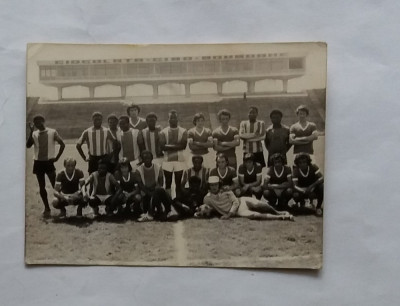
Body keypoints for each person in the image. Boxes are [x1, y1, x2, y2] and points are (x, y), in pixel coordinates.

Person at [196, 176, 293, 221]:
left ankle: (279, 212)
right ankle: (280, 217)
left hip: (241, 201)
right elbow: (206, 209)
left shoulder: (227, 190)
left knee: (259, 205)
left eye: (216, 184)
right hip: (238, 212)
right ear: (209, 186)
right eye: (211, 185)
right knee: (255, 215)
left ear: (219, 184)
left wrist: (229, 215)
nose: (214, 187)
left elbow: (235, 202)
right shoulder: (207, 198)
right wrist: (198, 213)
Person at [26, 114, 65, 217]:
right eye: (36, 122)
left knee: (55, 186)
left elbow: (62, 144)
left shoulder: (52, 132)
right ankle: (46, 208)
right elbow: (28, 145)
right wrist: (30, 132)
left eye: (40, 121)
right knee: (41, 186)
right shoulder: (34, 134)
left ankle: (62, 208)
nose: (38, 124)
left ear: (44, 121)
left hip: (48, 162)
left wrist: (56, 158)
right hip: (38, 162)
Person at [135, 151, 173, 222]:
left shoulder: (158, 167)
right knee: (154, 195)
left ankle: (154, 214)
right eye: (145, 158)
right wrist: (150, 193)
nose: (147, 160)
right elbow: (141, 185)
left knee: (160, 190)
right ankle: (153, 212)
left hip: (156, 191)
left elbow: (161, 183)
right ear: (142, 159)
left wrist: (154, 192)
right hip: (145, 192)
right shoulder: (138, 170)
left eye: (148, 158)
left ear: (152, 158)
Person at [159, 110, 188, 198]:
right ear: (168, 119)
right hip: (167, 160)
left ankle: (177, 201)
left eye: (175, 117)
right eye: (171, 118)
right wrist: (177, 146)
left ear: (177, 119)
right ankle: (169, 202)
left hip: (179, 160)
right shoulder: (163, 132)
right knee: (168, 182)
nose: (173, 119)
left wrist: (168, 146)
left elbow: (183, 146)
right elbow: (162, 147)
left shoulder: (183, 131)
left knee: (178, 182)